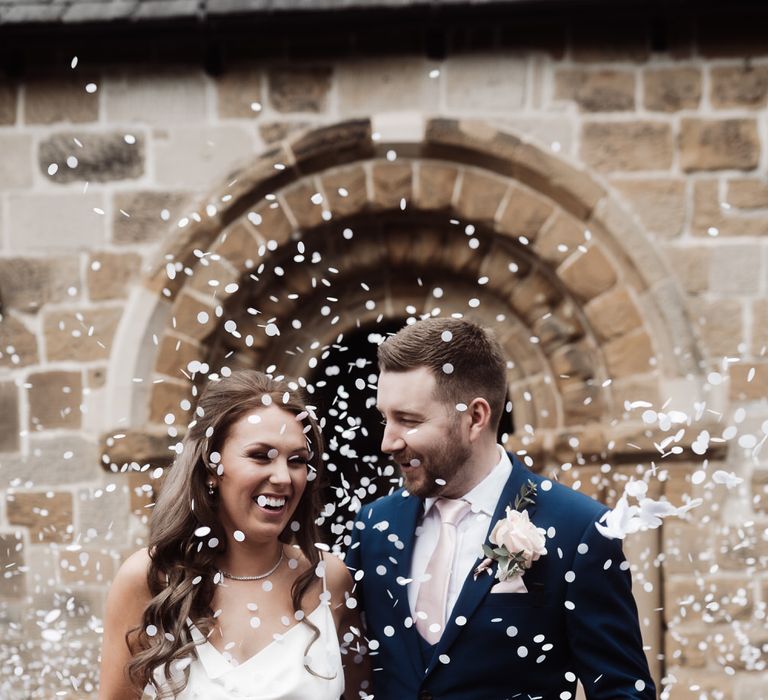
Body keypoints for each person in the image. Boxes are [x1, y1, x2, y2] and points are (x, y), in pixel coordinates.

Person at [345, 317, 656, 699]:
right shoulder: (374, 526)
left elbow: (623, 690)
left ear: (475, 418)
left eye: (407, 421)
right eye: (384, 419)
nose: (387, 442)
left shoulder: (580, 531)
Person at [99, 370, 369, 699]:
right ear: (212, 467)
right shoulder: (151, 579)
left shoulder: (331, 580)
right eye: (260, 456)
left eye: (297, 460)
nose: (284, 477)